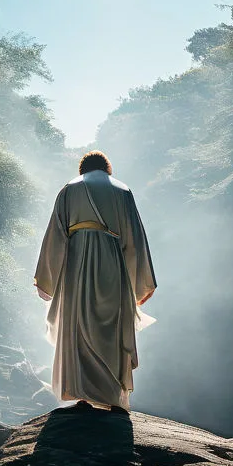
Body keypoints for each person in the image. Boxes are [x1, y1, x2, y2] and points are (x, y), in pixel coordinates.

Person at [34, 150, 157, 411]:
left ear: (83, 169)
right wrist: (140, 281)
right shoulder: (123, 191)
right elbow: (135, 240)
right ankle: (112, 394)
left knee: (78, 324)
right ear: (107, 169)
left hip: (76, 262)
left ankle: (81, 393)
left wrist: (47, 278)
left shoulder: (69, 189)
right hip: (112, 262)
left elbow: (55, 235)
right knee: (111, 327)